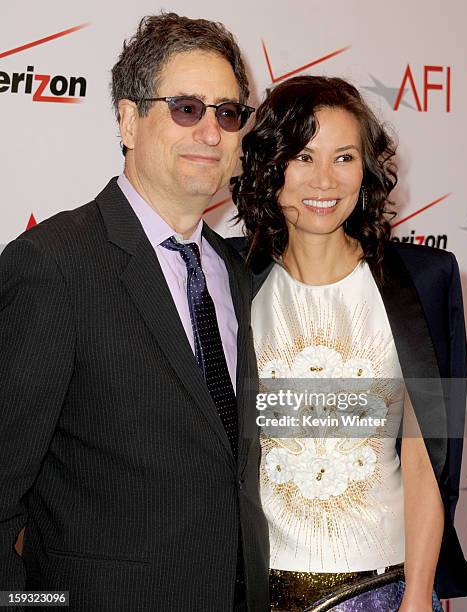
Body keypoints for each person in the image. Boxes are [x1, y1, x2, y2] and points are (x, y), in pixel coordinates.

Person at [0, 12, 269, 611]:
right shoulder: (55, 266)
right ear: (128, 119)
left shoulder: (235, 272)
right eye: (186, 108)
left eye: (227, 113)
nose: (210, 132)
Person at [230, 75, 467, 611]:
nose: (324, 181)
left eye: (344, 157)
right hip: (258, 590)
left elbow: (426, 464)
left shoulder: (426, 282)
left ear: (365, 169)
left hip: (383, 590)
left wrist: (415, 599)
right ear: (271, 165)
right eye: (303, 156)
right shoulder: (232, 280)